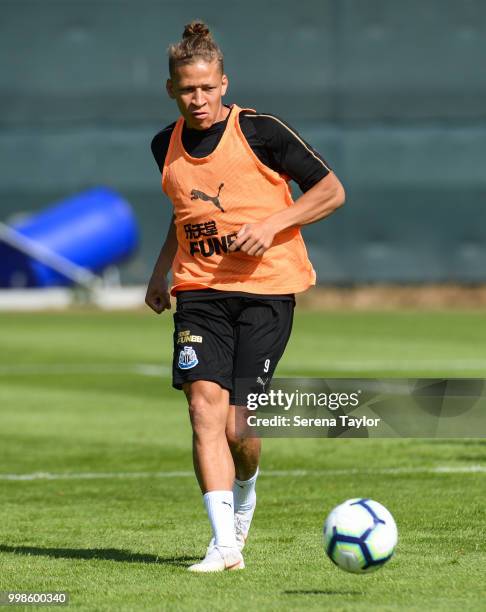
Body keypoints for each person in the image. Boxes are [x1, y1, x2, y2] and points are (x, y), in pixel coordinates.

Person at [146, 20, 345, 573]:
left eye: (208, 88)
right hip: (200, 291)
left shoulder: (262, 132)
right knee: (201, 409)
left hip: (266, 290)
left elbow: (331, 191)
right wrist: (161, 271)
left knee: (240, 428)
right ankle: (223, 545)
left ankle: (246, 486)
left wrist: (275, 222)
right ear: (172, 90)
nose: (199, 98)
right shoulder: (164, 144)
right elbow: (185, 212)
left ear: (224, 84)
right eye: (188, 90)